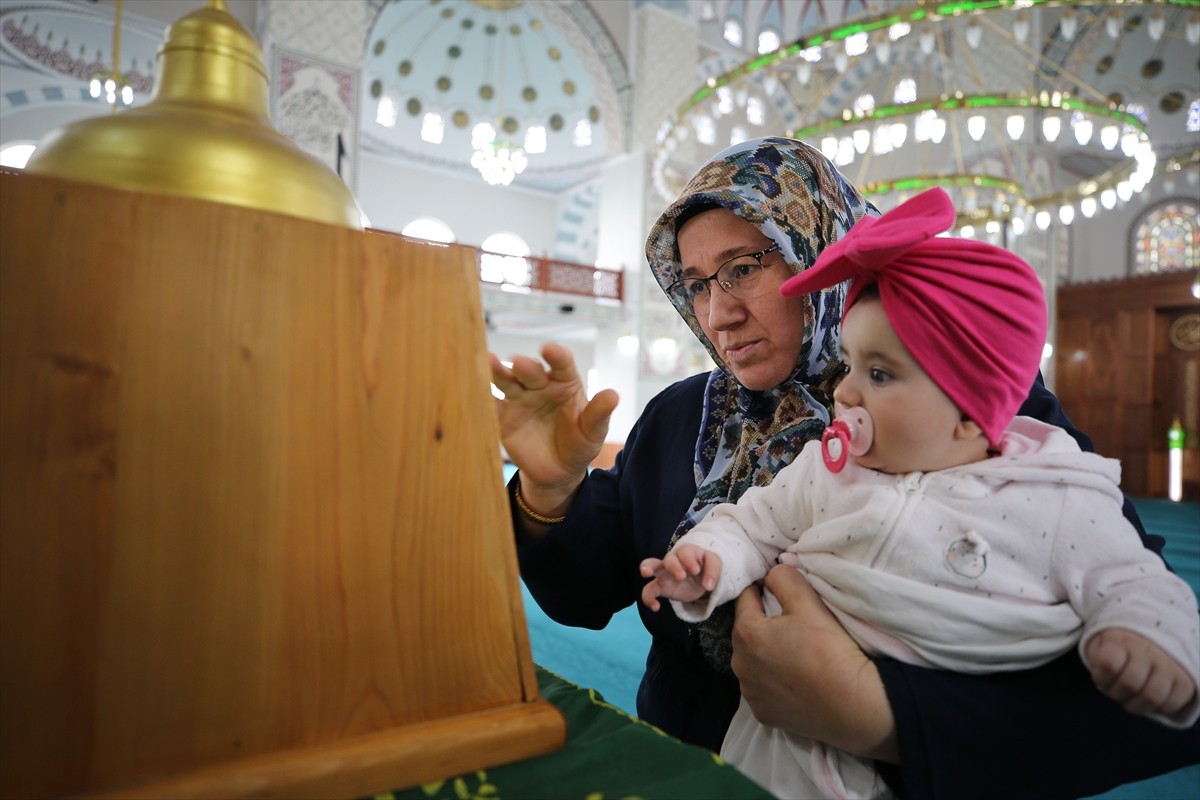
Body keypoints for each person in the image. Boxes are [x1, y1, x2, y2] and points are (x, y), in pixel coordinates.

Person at [490, 137, 1199, 798]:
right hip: (696, 764)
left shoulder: (973, 400)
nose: (718, 314)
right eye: (698, 283)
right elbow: (587, 597)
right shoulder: (683, 416)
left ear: (820, 247)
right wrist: (552, 491)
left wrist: (882, 717)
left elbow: (1145, 666)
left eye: (743, 268)